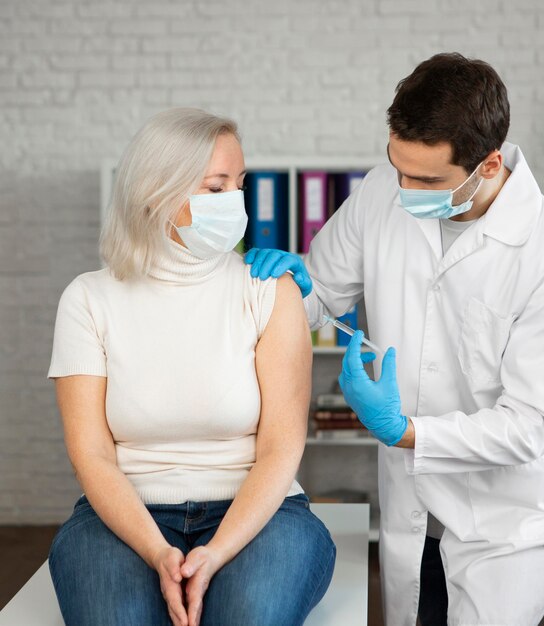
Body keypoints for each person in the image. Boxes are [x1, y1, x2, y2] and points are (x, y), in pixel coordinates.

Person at [246, 53, 544, 626]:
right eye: (397, 165)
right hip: (410, 503)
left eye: (427, 179)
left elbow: (531, 424)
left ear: (487, 165)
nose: (404, 189)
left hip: (506, 515)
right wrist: (285, 289)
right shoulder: (384, 189)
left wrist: (403, 431)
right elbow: (318, 296)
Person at [47, 108, 336, 626]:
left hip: (259, 513)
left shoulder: (270, 289)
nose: (235, 203)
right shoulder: (87, 299)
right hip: (125, 515)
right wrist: (158, 552)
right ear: (156, 193)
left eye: (239, 185)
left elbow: (282, 447)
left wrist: (217, 551)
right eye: (215, 188)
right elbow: (91, 456)